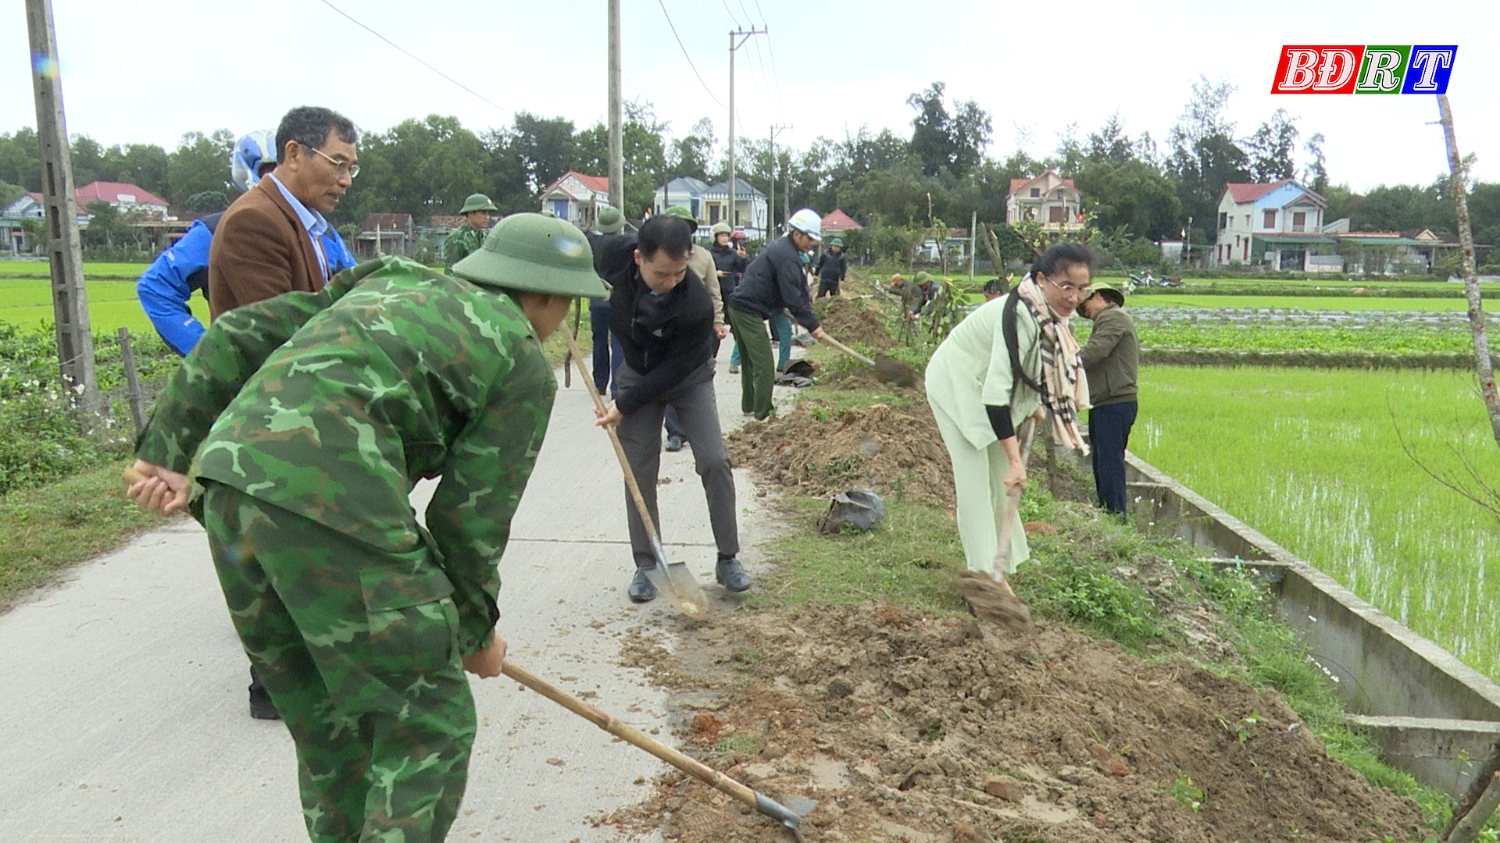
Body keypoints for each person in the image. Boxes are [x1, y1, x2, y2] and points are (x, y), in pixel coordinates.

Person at [125, 213, 607, 843]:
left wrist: (166, 447)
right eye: (568, 305)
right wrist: (472, 631)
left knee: (330, 729)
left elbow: (240, 331)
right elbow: (469, 522)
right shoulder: (519, 363)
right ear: (546, 295)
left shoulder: (392, 275)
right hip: (337, 504)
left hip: (229, 489)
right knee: (428, 724)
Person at [593, 215, 750, 601]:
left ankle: (728, 557)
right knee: (639, 469)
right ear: (637, 258)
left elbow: (673, 370)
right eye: (663, 274)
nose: (672, 282)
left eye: (679, 272)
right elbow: (572, 245)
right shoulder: (613, 255)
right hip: (636, 369)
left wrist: (623, 404)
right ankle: (647, 564)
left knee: (714, 460)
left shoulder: (694, 303)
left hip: (686, 376)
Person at [925, 242, 1093, 599]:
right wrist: (1016, 460)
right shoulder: (1018, 314)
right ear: (1043, 280)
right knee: (975, 482)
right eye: (1067, 287)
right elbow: (997, 391)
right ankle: (985, 576)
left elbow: (1033, 368)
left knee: (1000, 486)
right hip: (956, 385)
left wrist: (1031, 401)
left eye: (1082, 288)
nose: (1075, 297)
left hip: (983, 388)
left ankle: (1000, 568)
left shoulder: (1049, 318)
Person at [136, 129, 355, 356]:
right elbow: (156, 287)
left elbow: (359, 293)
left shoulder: (322, 231)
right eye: (268, 170)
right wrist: (205, 353)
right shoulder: (219, 228)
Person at [208, 106, 360, 318]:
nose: (346, 181)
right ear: (294, 154)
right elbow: (280, 330)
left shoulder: (305, 220)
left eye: (351, 169)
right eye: (338, 164)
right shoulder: (253, 221)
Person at [726, 208, 829, 420]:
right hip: (746, 309)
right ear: (797, 233)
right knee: (764, 364)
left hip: (740, 305)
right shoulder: (787, 256)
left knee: (748, 359)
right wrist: (813, 326)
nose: (811, 243)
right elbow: (793, 297)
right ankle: (764, 412)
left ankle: (750, 405)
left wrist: (810, 318)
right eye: (809, 238)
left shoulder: (786, 250)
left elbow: (799, 288)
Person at [659, 206, 730, 452]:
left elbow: (713, 291)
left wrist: (718, 321)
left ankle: (699, 429)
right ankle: (676, 432)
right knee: (671, 378)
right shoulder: (657, 256)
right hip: (669, 329)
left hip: (700, 330)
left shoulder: (702, 257)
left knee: (700, 379)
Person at [1078, 281, 1139, 517]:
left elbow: (1094, 352)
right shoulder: (1110, 319)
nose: (1086, 311)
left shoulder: (1113, 318)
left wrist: (1063, 364)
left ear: (1099, 297)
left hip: (1114, 402)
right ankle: (1108, 514)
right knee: (1103, 463)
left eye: (1086, 305)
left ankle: (1115, 517)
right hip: (1106, 401)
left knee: (1110, 464)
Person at [586, 205, 628, 394]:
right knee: (619, 341)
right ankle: (617, 386)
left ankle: (599, 383)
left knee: (599, 340)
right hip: (619, 299)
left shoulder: (592, 242)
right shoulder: (625, 243)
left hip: (597, 298)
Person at [443, 193, 499, 272]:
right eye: (483, 213)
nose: (487, 217)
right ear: (470, 213)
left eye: (488, 213)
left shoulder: (485, 237)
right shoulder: (456, 238)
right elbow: (451, 272)